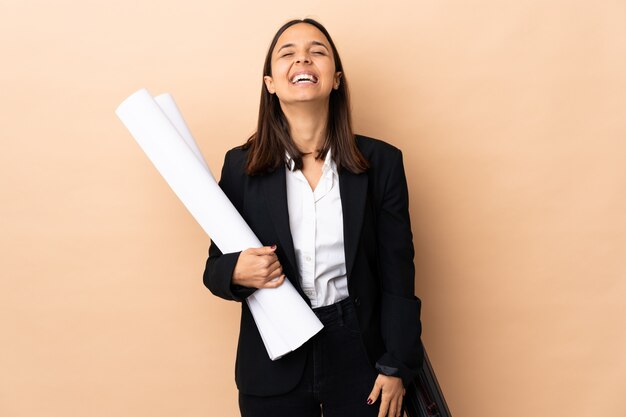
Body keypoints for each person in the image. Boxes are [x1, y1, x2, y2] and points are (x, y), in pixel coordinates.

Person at [203, 17, 423, 417]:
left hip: (360, 352)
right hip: (274, 356)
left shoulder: (382, 163)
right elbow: (213, 269)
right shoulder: (240, 167)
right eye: (287, 53)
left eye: (317, 51)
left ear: (335, 79)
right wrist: (237, 270)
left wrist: (397, 363)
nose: (303, 58)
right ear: (270, 82)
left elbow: (397, 275)